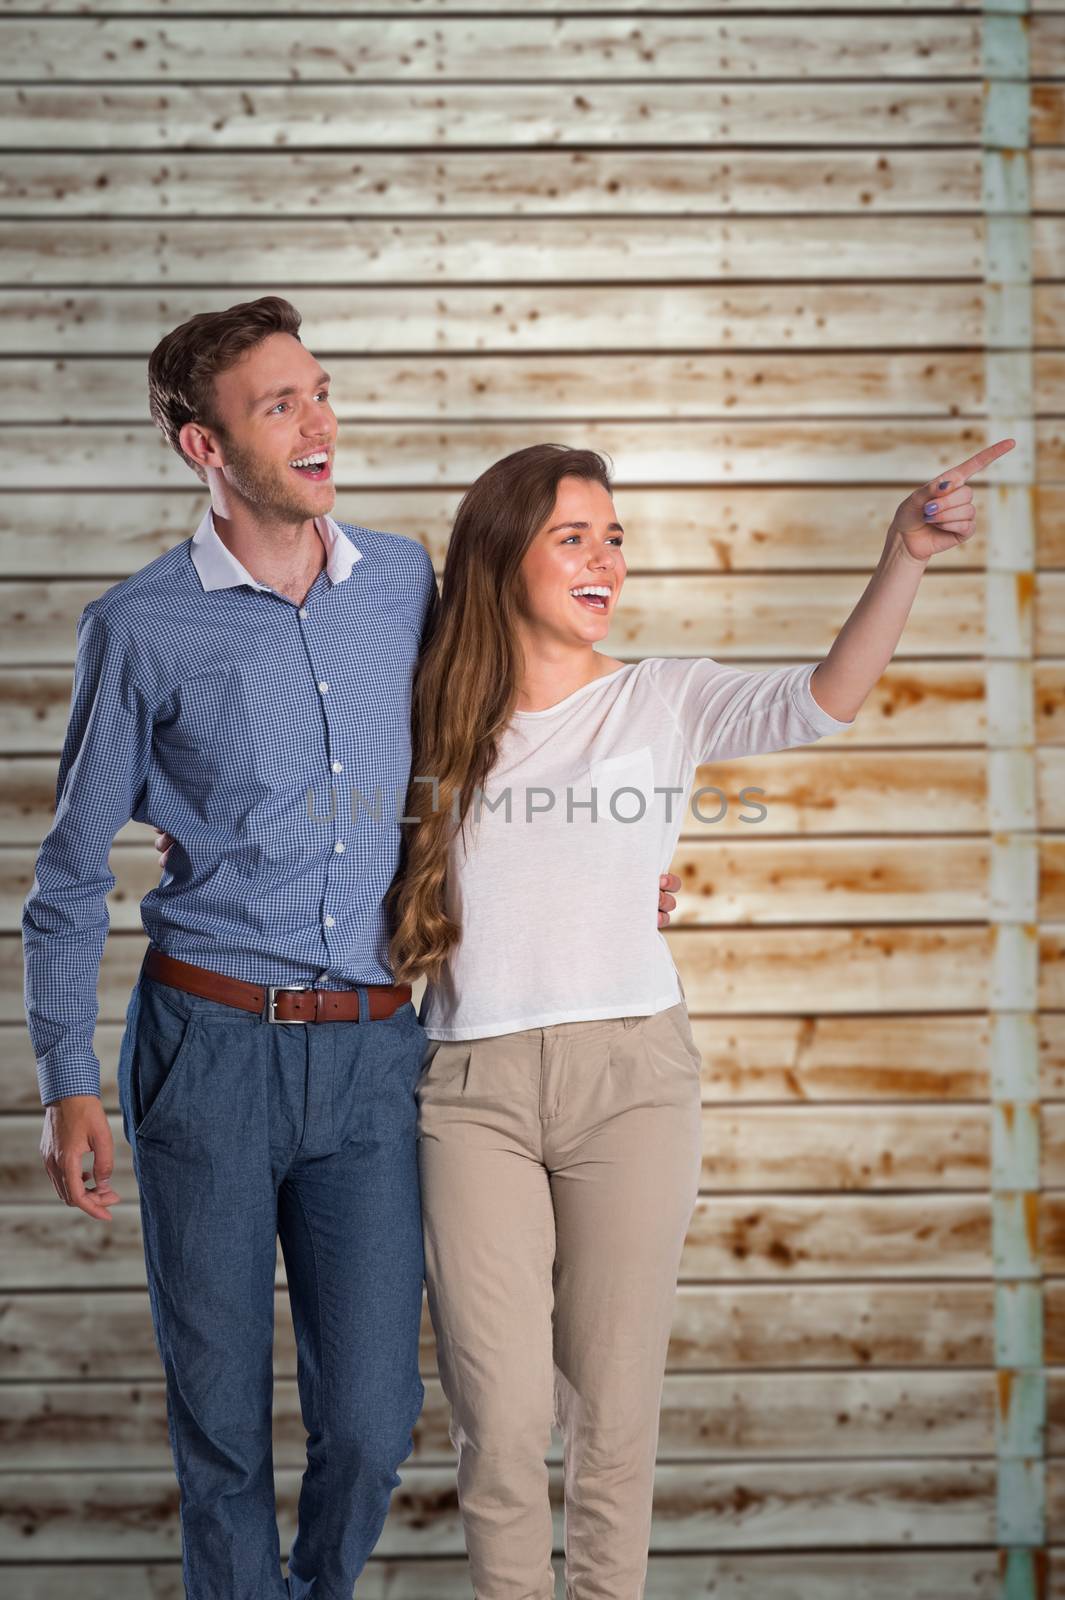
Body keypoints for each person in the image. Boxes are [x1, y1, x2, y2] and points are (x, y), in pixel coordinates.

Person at [22, 295, 681, 1600]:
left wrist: (607, 853)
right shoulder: (141, 628)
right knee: (218, 1424)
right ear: (202, 446)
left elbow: (479, 746)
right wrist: (66, 1080)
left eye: (319, 391)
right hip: (204, 1050)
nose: (320, 423)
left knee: (377, 1418)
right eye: (280, 406)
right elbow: (69, 873)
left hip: (380, 1059)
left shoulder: (404, 584)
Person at [385, 434, 1015, 1599]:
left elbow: (821, 704)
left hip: (634, 1081)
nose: (603, 559)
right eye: (572, 535)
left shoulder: (662, 695)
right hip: (468, 1094)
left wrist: (906, 558)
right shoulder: (428, 711)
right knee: (503, 1413)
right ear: (502, 554)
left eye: (613, 537)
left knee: (614, 1415)